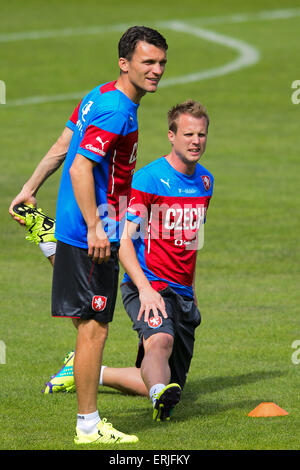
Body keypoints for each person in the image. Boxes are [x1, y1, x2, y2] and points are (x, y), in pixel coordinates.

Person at [9, 25, 168, 445]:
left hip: (77, 226)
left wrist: (30, 187)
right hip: (91, 229)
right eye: (147, 62)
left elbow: (63, 145)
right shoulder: (117, 110)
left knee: (86, 316)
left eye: (161, 63)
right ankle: (88, 425)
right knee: (94, 327)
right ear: (125, 63)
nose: (156, 71)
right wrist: (98, 228)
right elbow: (79, 166)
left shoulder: (99, 94)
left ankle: (45, 236)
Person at [11, 99, 214, 423]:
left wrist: (193, 292)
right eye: (188, 134)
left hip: (183, 294)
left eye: (201, 135)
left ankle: (88, 370)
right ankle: (52, 242)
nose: (196, 141)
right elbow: (123, 242)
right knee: (159, 342)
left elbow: (190, 243)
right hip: (147, 285)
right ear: (171, 136)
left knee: (166, 383)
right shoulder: (148, 180)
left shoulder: (205, 183)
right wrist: (146, 290)